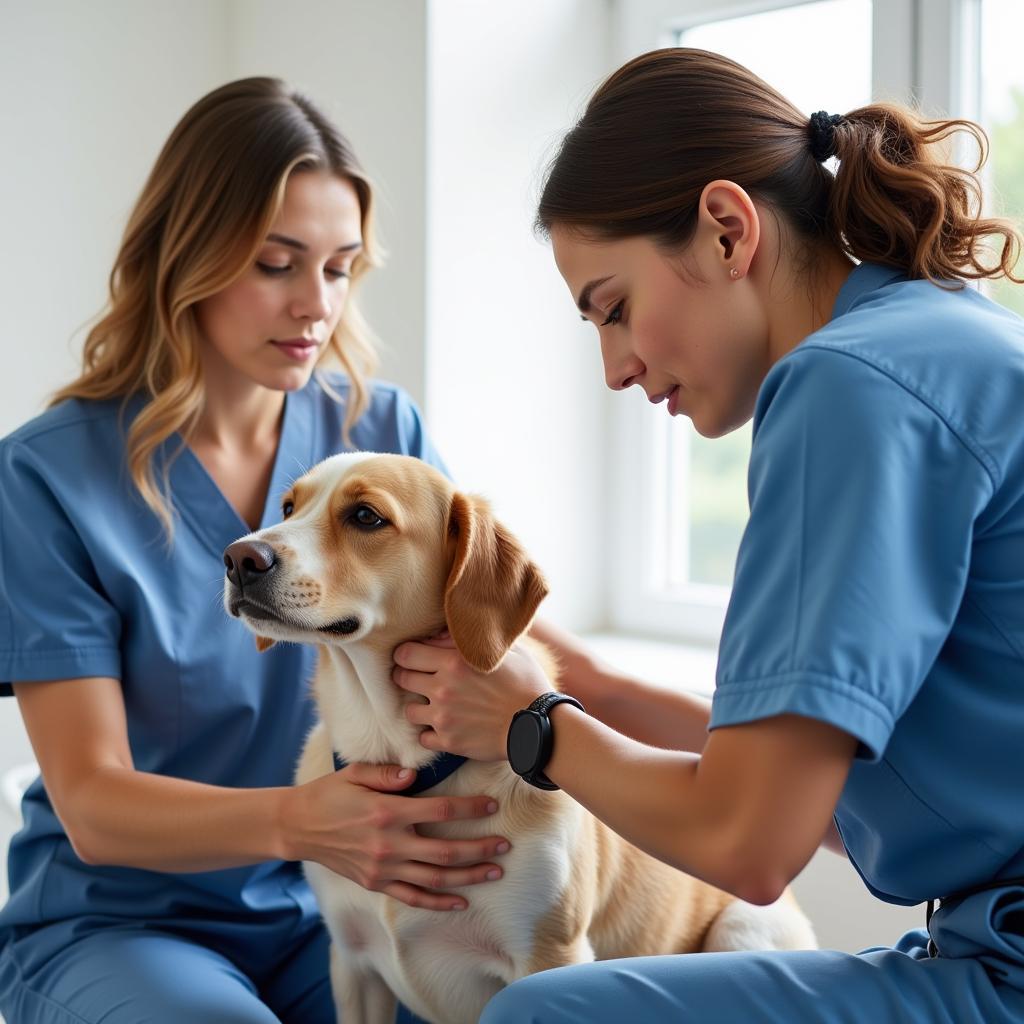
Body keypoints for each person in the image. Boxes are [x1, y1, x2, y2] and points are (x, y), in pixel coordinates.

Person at [391, 47, 1024, 1023]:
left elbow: (749, 843)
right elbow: (780, 774)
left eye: (614, 308)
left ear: (728, 230)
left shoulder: (846, 390)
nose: (613, 365)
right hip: (985, 933)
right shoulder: (933, 334)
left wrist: (536, 730)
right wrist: (583, 690)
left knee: (539, 1014)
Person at [0, 77, 514, 1024]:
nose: (315, 304)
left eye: (340, 266)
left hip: (336, 910)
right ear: (185, 258)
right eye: (278, 263)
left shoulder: (377, 435)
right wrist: (300, 823)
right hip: (121, 926)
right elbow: (93, 802)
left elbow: (483, 647)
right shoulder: (46, 478)